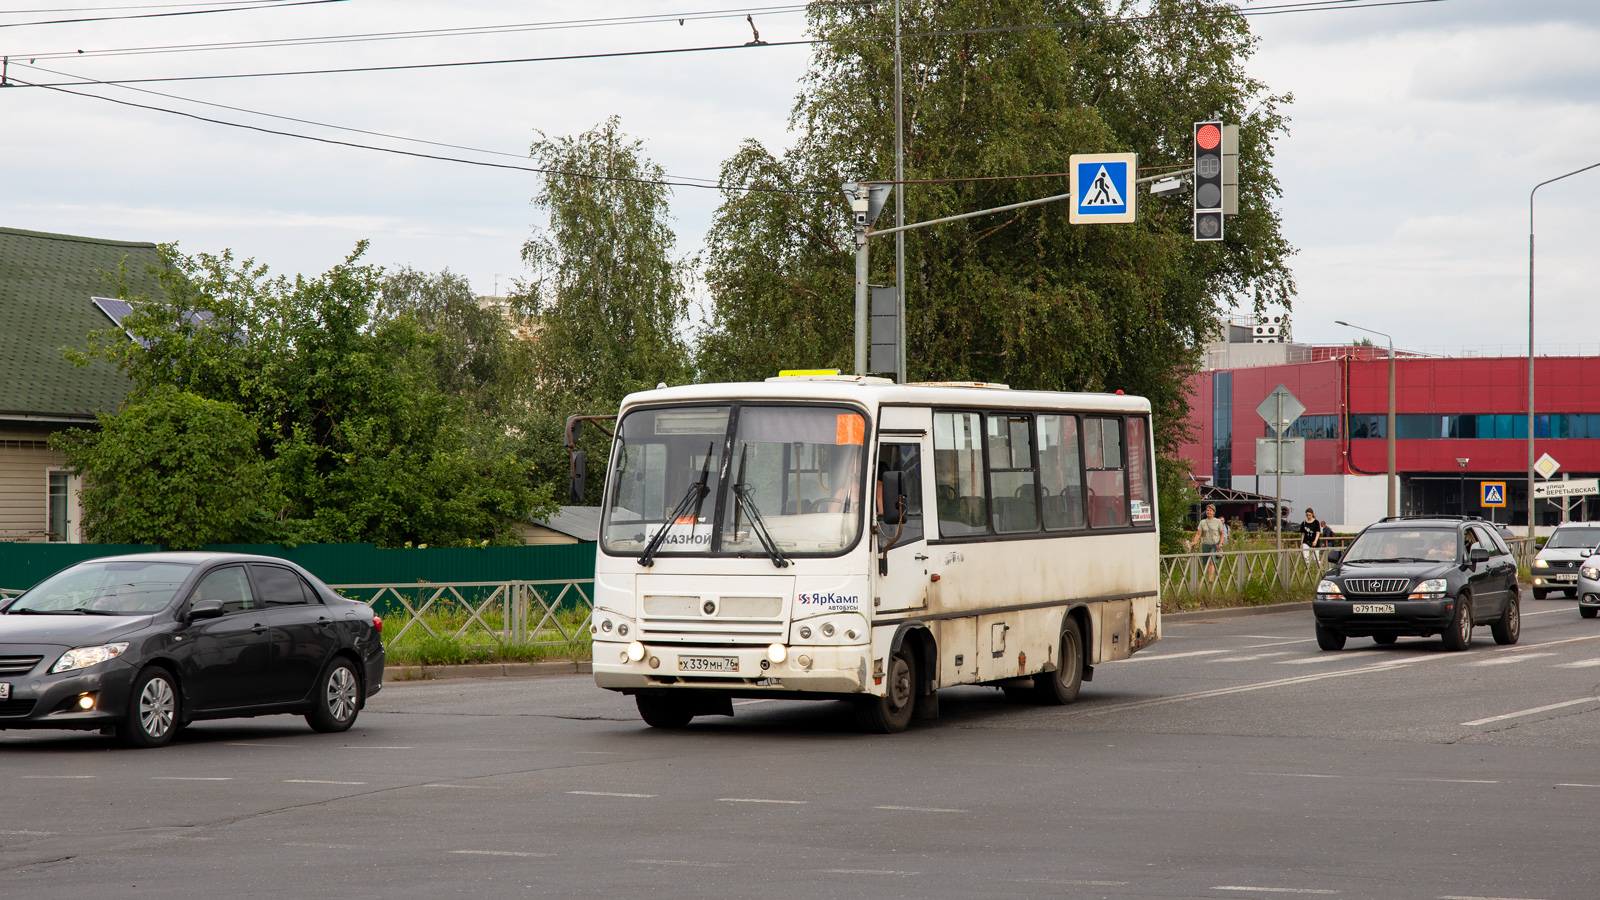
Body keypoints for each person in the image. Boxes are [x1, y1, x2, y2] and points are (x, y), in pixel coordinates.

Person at [1191, 504, 1226, 580]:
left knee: (1211, 561)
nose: (1208, 512)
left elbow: (1222, 533)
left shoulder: (1217, 521)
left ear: (1214, 512)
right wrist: (1194, 541)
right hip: (1205, 544)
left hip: (1215, 544)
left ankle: (1211, 579)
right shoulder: (1202, 522)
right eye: (1207, 510)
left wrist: (1220, 543)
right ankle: (1207, 578)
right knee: (1206, 562)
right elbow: (1198, 533)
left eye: (1210, 510)